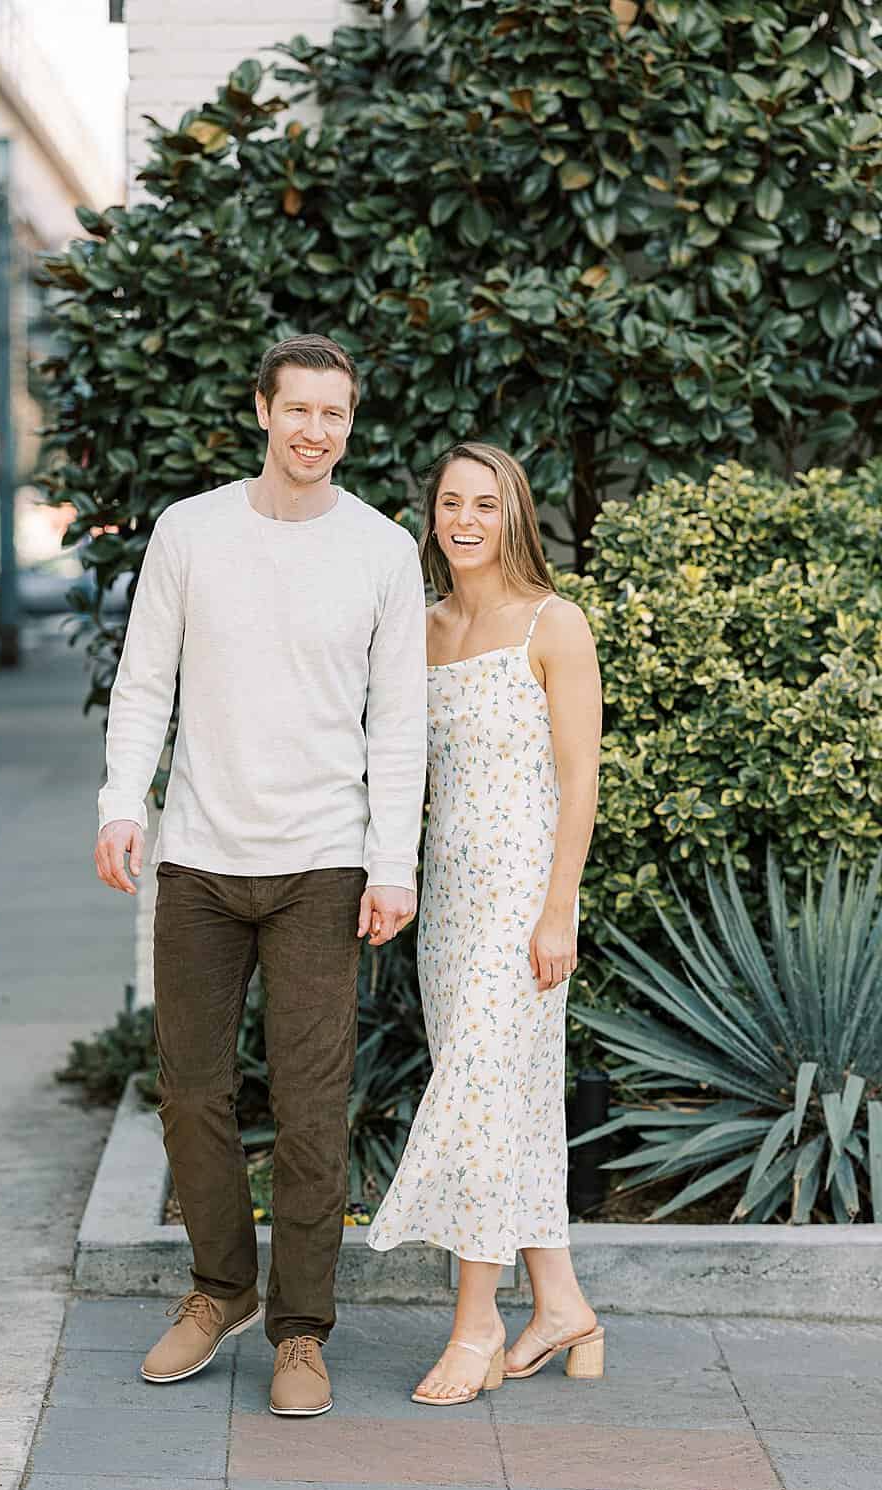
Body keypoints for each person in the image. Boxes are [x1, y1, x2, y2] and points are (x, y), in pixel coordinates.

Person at [94, 333, 426, 1418]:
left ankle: (299, 1330)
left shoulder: (379, 549)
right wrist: (119, 805)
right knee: (190, 1094)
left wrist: (390, 864)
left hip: (322, 866)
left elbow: (400, 728)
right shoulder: (188, 532)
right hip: (196, 857)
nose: (314, 432)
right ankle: (219, 1290)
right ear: (260, 410)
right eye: (297, 411)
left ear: (349, 423)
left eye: (333, 415)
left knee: (311, 1106)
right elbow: (142, 682)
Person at [365, 442, 605, 1404]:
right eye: (450, 502)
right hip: (449, 903)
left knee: (474, 1095)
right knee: (508, 1099)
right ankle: (563, 1307)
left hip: (525, 904)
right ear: (431, 516)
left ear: (515, 515)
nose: (465, 518)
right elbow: (395, 769)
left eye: (485, 503)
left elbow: (581, 781)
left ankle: (476, 1324)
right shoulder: (419, 629)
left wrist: (559, 912)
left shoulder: (557, 624)